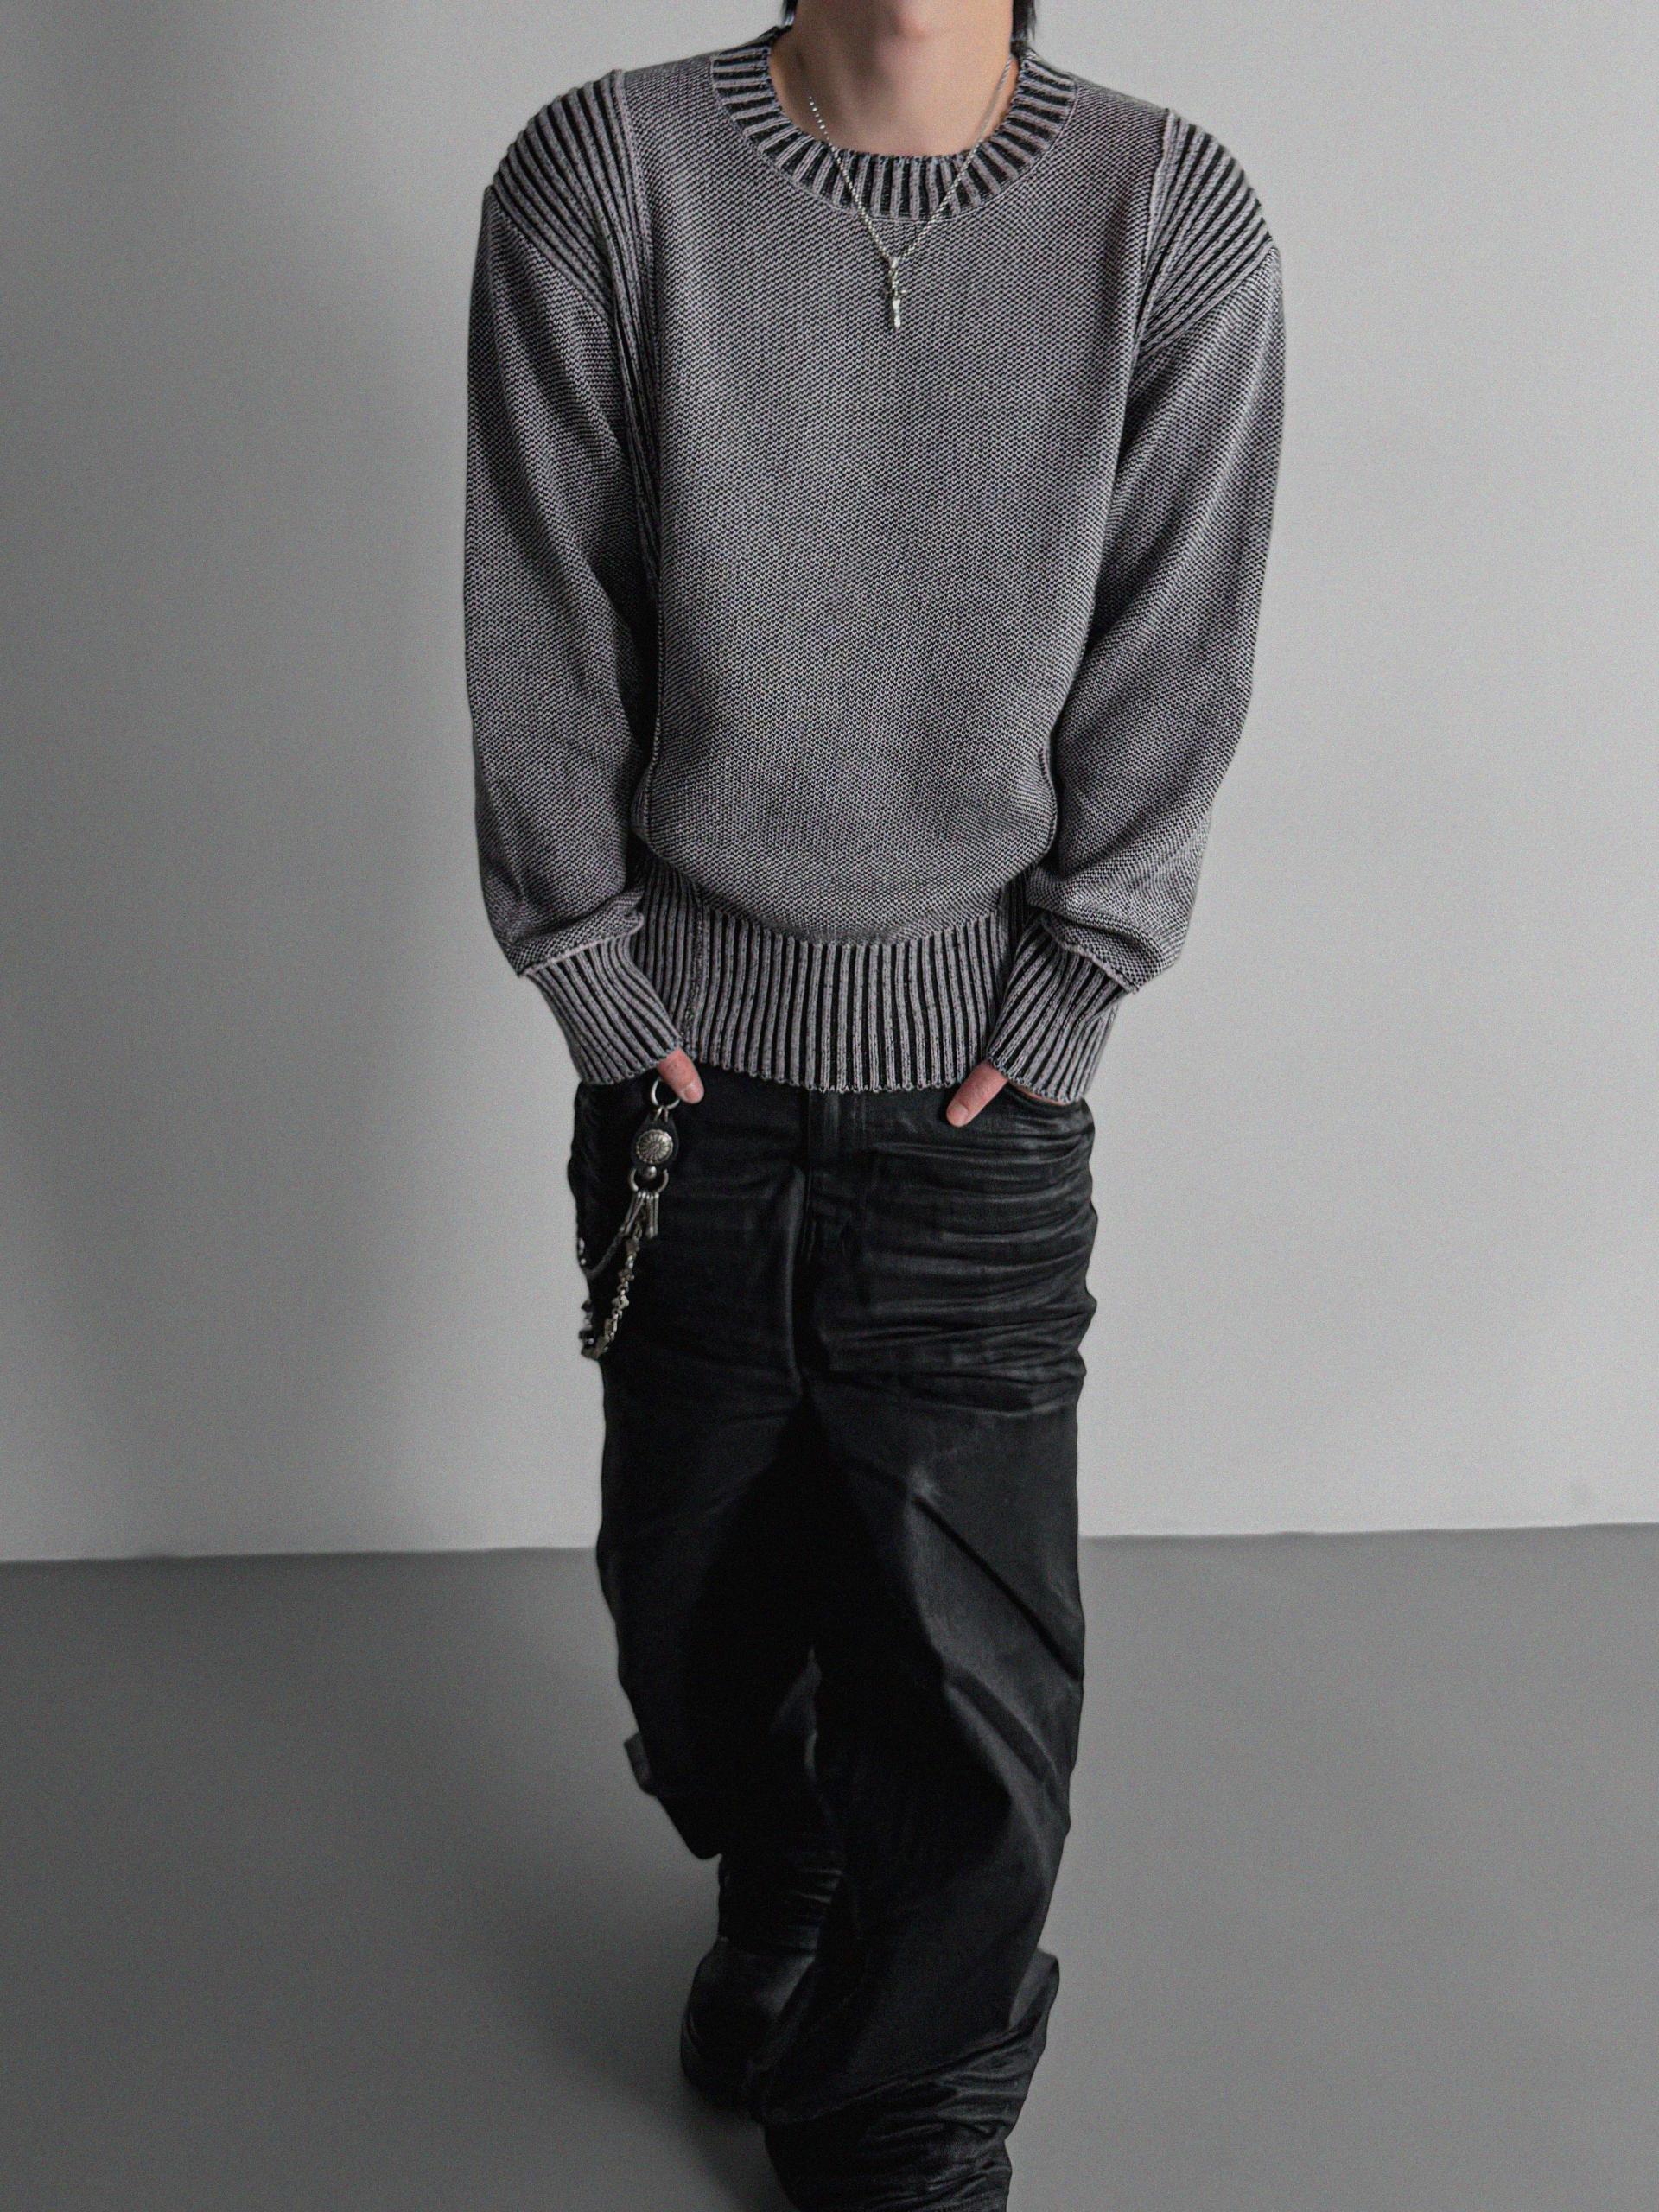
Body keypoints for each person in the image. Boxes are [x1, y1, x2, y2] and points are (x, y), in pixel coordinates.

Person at [462, 2, 1286, 2204]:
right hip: (684, 1079)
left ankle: (909, 2107)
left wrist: (1078, 973)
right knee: (692, 1617)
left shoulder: (1170, 216)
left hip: (976, 1092)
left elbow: (1178, 636)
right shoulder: (605, 180)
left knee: (971, 1679)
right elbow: (544, 600)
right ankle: (797, 1870)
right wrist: (595, 976)